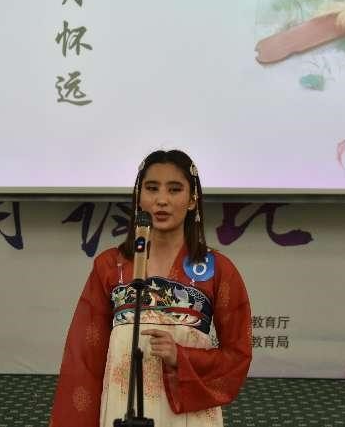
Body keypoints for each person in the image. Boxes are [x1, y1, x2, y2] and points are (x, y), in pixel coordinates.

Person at [49, 149, 253, 427]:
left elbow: (238, 355)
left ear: (192, 200)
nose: (162, 200)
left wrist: (182, 357)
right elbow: (85, 358)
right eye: (152, 188)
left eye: (175, 189)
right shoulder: (111, 265)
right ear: (138, 196)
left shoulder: (218, 269)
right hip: (122, 406)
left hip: (187, 413)